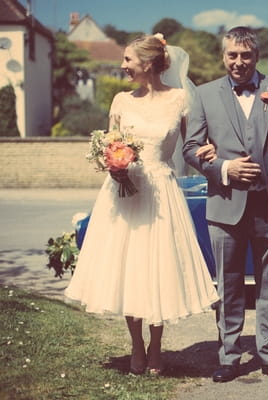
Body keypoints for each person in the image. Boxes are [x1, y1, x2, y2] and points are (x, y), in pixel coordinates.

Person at [64, 34, 219, 375]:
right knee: (128, 269)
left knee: (158, 268)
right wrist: (114, 169)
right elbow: (107, 148)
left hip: (161, 192)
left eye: (128, 60)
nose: (123, 66)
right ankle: (136, 345)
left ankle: (157, 347)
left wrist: (211, 155)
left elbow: (192, 148)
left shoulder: (180, 100)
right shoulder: (120, 101)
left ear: (147, 63)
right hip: (122, 194)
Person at [183, 26, 268, 382]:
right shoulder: (205, 95)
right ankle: (229, 355)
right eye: (231, 55)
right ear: (223, 56)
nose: (238, 62)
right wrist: (222, 167)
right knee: (228, 285)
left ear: (256, 56)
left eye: (245, 55)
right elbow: (190, 149)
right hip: (224, 206)